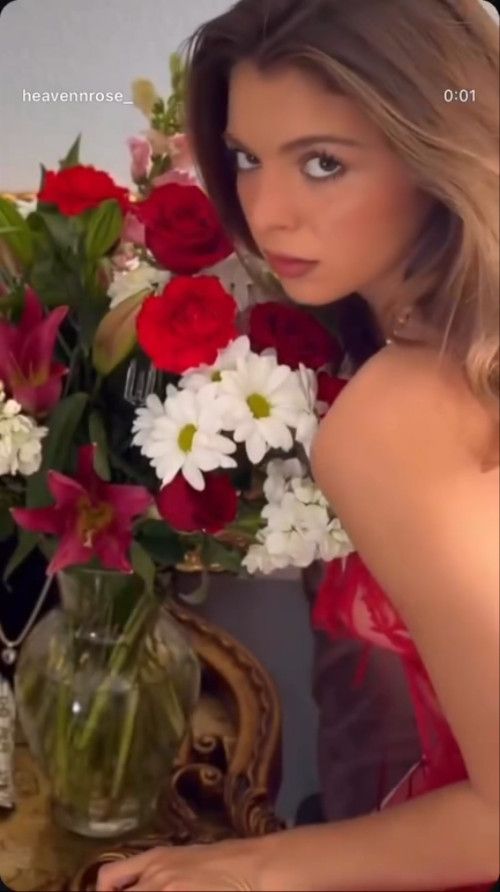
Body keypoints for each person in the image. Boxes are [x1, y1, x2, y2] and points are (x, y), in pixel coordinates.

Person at [97, 0, 499, 888]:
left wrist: (247, 868)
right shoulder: (450, 355)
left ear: (437, 152)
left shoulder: (398, 416)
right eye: (246, 158)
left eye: (324, 163)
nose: (268, 214)